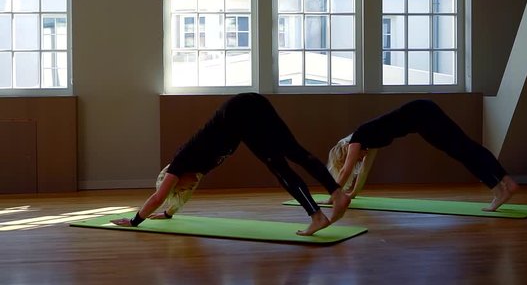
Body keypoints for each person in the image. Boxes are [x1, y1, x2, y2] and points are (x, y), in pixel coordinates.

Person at [111, 92, 351, 236]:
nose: (186, 187)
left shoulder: (180, 162)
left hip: (242, 112)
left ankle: (320, 212)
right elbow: (172, 200)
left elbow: (158, 196)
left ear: (173, 178)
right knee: (291, 154)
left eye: (178, 186)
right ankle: (334, 195)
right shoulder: (195, 172)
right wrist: (167, 214)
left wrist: (135, 221)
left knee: (282, 164)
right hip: (249, 107)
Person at [325, 99, 518, 211]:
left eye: (355, 157)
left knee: (463, 149)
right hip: (421, 119)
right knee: (463, 149)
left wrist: (332, 196)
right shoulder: (369, 140)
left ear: (347, 150)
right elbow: (363, 173)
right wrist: (352, 193)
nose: (358, 159)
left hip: (422, 114)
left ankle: (501, 188)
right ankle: (504, 183)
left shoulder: (357, 139)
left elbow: (345, 170)